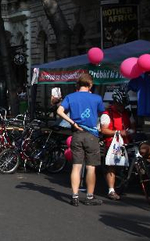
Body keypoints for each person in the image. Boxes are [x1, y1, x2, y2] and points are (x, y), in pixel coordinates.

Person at [56, 72, 105, 206]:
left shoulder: (70, 97)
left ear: (78, 85)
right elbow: (103, 113)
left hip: (76, 134)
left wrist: (72, 122)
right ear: (90, 85)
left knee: (76, 167)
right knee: (91, 167)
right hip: (91, 135)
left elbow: (59, 111)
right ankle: (89, 197)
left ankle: (75, 196)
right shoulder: (96, 98)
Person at [100, 89, 135, 201]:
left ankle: (125, 181)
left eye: (123, 105)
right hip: (112, 144)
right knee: (112, 166)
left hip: (126, 142)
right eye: (120, 104)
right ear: (115, 103)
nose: (122, 107)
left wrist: (131, 131)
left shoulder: (127, 113)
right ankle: (111, 190)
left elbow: (133, 126)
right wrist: (118, 132)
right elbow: (104, 130)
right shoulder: (107, 114)